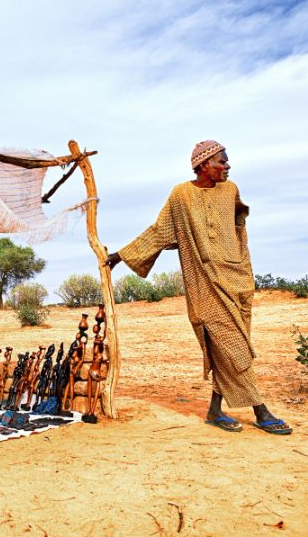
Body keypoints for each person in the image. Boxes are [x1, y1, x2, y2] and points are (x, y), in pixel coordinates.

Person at [106, 140, 291, 435]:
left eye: (227, 162)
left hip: (237, 281)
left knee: (227, 349)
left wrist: (244, 268)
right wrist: (122, 255)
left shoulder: (231, 191)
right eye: (222, 162)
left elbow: (239, 228)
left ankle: (215, 410)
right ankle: (260, 410)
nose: (227, 167)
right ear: (204, 164)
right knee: (235, 347)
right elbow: (161, 232)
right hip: (204, 286)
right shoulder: (181, 195)